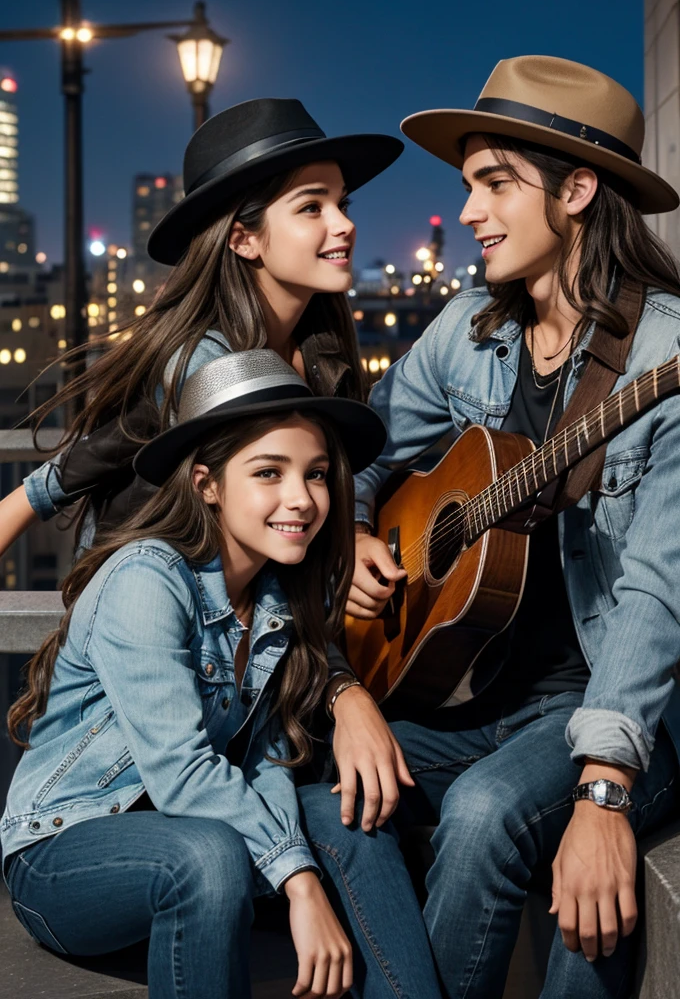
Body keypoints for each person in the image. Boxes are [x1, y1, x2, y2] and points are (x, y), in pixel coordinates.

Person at [348, 55, 680, 999]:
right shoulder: (464, 333)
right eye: (468, 187)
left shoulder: (663, 355)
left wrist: (604, 790)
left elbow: (658, 586)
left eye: (495, 184)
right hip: (462, 689)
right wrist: (367, 533)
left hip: (599, 704)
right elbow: (365, 454)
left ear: (577, 190)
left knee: (489, 813)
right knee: (314, 766)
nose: (468, 213)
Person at [0, 97, 411, 834]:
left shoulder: (319, 356)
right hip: (186, 652)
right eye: (311, 207)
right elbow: (103, 451)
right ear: (246, 240)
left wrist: (355, 526)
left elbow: (302, 511)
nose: (344, 224)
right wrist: (345, 693)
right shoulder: (208, 364)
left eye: (342, 204)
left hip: (268, 647)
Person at [1, 350, 441, 999]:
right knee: (207, 857)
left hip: (202, 833)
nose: (302, 499)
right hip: (69, 849)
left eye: (316, 474)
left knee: (352, 818)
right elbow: (182, 772)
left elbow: (259, 757)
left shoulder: (275, 595)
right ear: (207, 484)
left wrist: (299, 861)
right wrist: (299, 881)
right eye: (269, 472)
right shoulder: (146, 580)